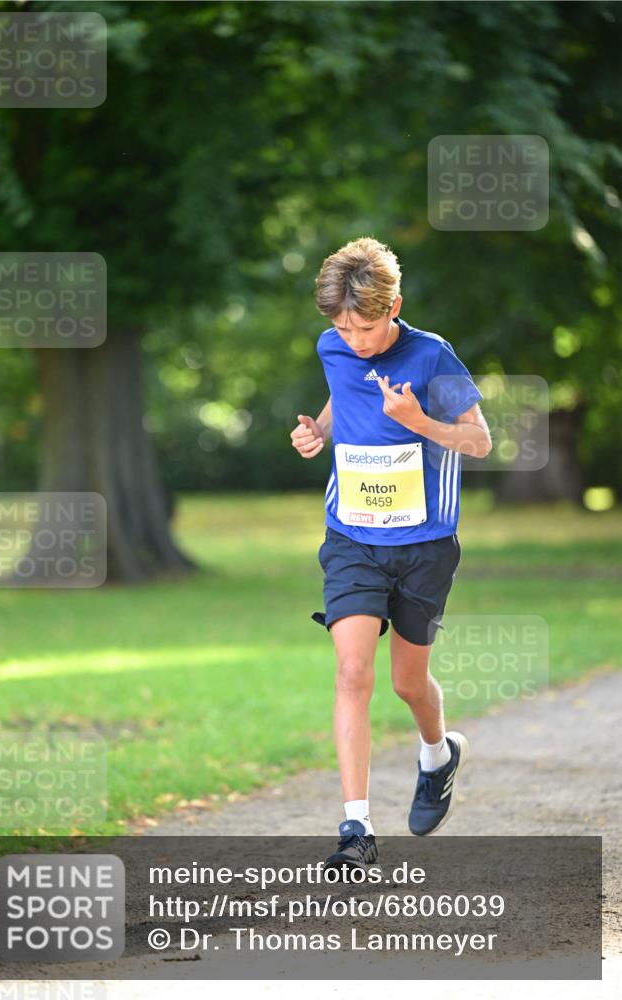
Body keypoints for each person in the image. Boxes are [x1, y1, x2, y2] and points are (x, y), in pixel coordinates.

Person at [290, 237, 492, 877]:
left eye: (366, 326)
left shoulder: (433, 355)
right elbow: (341, 398)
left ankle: (438, 753)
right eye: (342, 326)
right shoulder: (334, 348)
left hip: (425, 544)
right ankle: (356, 827)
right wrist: (316, 433)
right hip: (352, 536)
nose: (353, 339)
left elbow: (481, 441)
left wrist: (420, 421)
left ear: (394, 306)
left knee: (408, 682)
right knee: (353, 671)